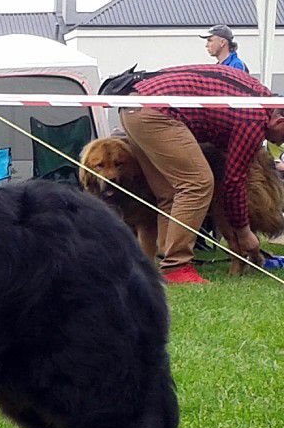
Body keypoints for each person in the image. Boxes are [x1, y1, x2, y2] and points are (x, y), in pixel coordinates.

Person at [119, 64, 284, 284]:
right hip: (156, 112)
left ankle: (166, 264)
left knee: (169, 192)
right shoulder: (254, 120)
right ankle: (177, 266)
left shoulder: (256, 93)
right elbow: (234, 182)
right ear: (279, 121)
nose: (280, 143)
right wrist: (244, 232)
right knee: (197, 183)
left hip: (131, 106)